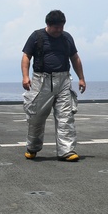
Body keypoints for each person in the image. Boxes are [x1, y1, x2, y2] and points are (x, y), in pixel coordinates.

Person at [21, 9, 86, 161]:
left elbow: (75, 58)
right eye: (56, 27)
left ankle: (66, 151)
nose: (59, 30)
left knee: (65, 116)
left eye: (61, 27)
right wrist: (25, 76)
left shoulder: (67, 38)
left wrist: (81, 78)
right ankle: (33, 147)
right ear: (48, 25)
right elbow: (26, 56)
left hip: (63, 80)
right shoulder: (36, 36)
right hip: (41, 80)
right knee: (36, 116)